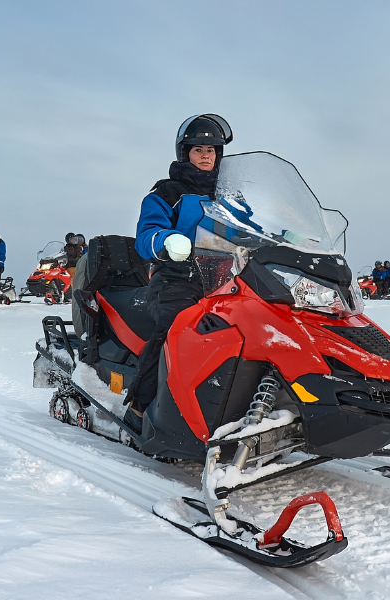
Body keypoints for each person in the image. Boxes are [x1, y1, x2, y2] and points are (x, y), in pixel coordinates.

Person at [122, 114, 233, 431]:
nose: (206, 155)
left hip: (228, 279)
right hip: (177, 279)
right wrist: (167, 240)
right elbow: (146, 237)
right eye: (199, 149)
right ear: (185, 153)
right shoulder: (167, 193)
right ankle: (140, 407)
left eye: (212, 149)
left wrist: (289, 237)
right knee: (177, 327)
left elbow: (257, 228)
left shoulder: (232, 198)